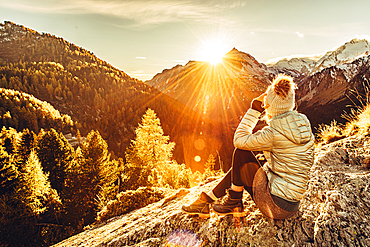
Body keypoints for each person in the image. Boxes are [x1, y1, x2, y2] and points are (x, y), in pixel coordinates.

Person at [181, 74, 315, 219]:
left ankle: (234, 201)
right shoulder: (303, 123)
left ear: (268, 105)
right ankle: (207, 200)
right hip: (293, 204)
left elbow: (239, 140)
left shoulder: (273, 133)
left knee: (242, 153)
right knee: (248, 161)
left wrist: (254, 109)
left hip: (276, 207)